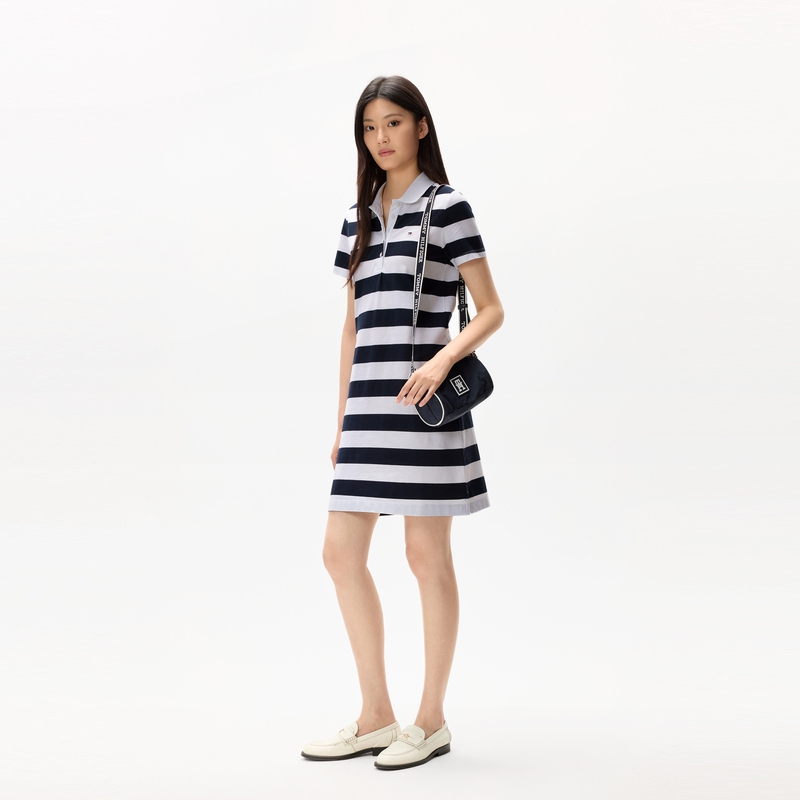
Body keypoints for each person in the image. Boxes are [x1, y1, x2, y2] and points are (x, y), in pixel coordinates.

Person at [301, 75, 504, 771]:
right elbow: (352, 327)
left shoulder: (448, 207)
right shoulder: (357, 219)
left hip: (424, 409)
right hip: (367, 411)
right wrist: (342, 420)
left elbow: (491, 308)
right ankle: (375, 716)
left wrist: (442, 359)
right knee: (339, 554)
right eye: (369, 127)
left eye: (393, 122)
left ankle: (431, 720)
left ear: (421, 126)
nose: (381, 137)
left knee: (426, 558)